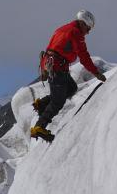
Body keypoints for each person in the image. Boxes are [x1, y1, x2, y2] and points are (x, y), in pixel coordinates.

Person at [30, 10, 106, 142]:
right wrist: (96, 73)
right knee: (58, 102)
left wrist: (44, 69)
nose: (88, 32)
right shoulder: (76, 33)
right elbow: (84, 56)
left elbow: (51, 48)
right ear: (82, 23)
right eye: (88, 28)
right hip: (57, 68)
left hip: (52, 65)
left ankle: (41, 104)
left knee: (71, 88)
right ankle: (39, 127)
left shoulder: (62, 28)